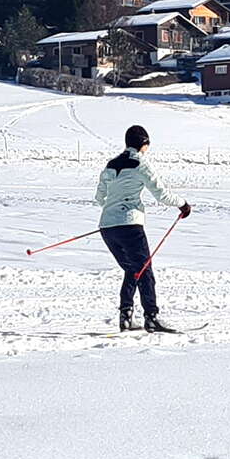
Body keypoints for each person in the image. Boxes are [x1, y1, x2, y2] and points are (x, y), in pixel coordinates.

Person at [94, 124, 191, 333]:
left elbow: (99, 197)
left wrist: (113, 212)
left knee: (132, 269)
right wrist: (183, 204)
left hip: (107, 227)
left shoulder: (110, 165)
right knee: (144, 271)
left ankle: (126, 316)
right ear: (143, 144)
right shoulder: (140, 164)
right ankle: (151, 317)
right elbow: (161, 195)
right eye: (147, 144)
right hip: (129, 226)